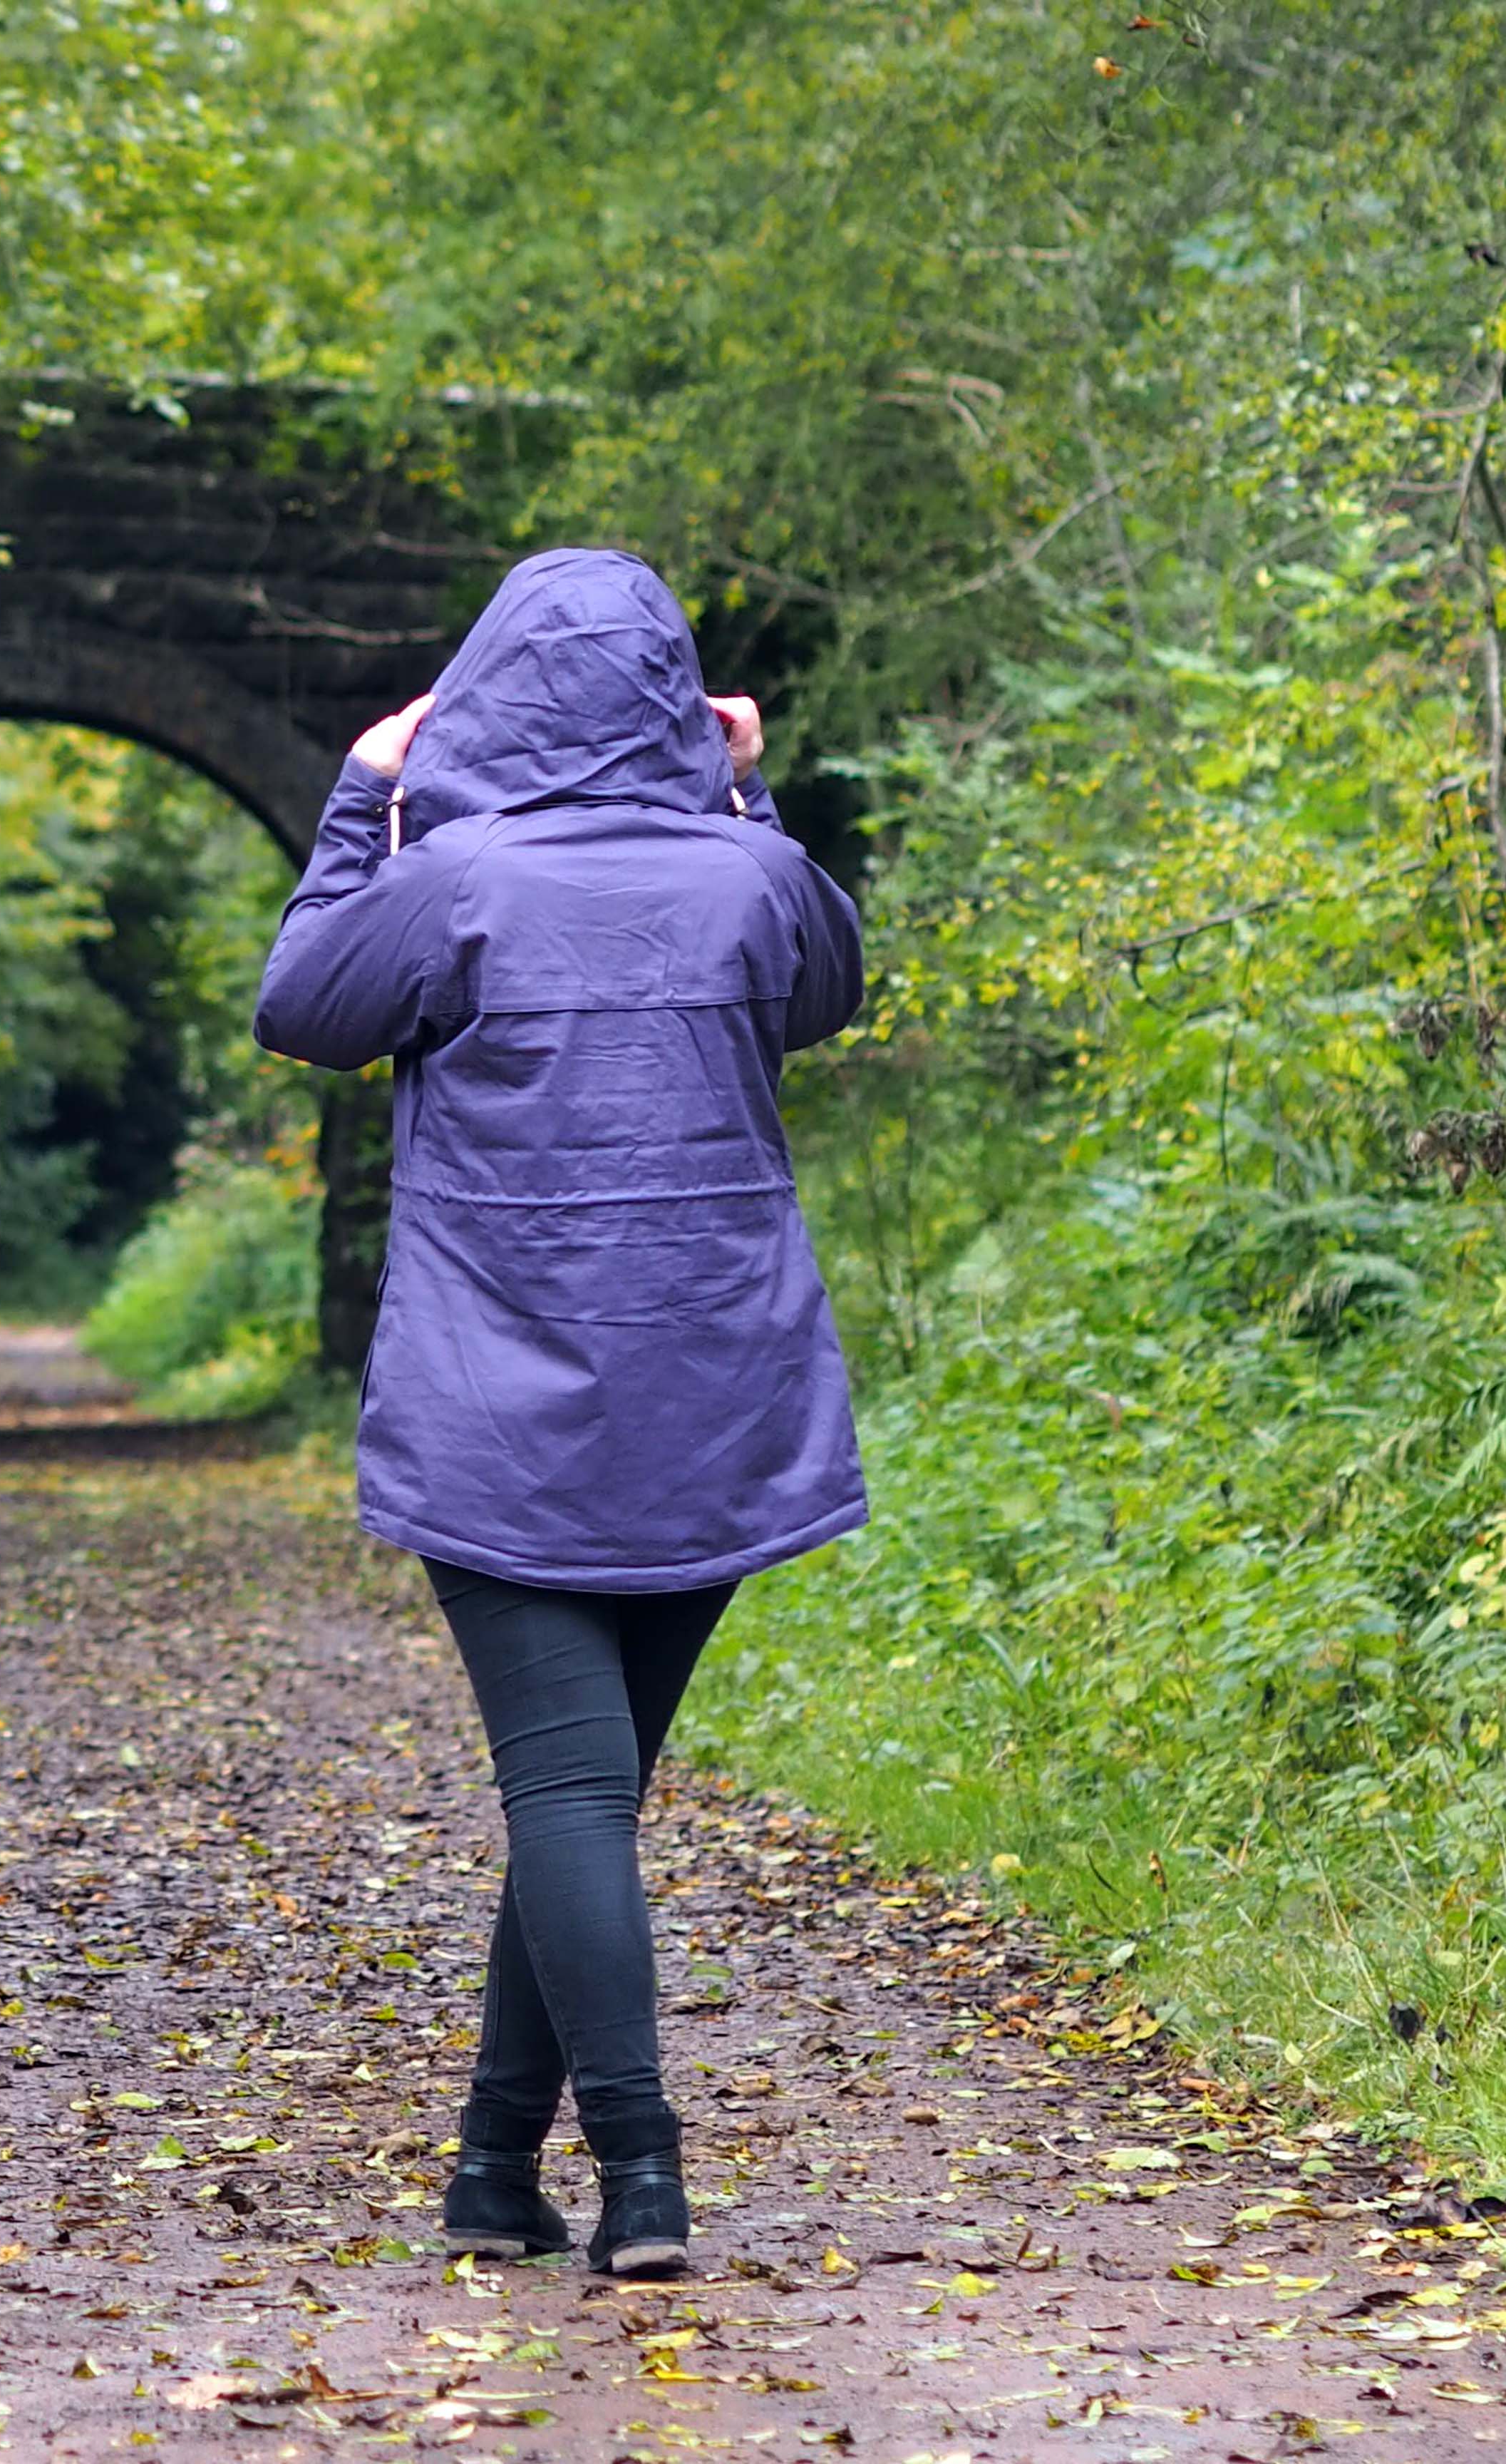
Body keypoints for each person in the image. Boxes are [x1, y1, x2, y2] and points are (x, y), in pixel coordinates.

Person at [252, 548, 867, 2278]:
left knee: (572, 1797)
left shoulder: (450, 878)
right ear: (677, 698)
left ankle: (643, 2176)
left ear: (490, 689)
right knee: (586, 1792)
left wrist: (359, 793)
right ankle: (488, 2172)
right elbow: (829, 984)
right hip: (715, 1402)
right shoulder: (755, 875)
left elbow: (300, 1006)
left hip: (498, 1411)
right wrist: (744, 786)